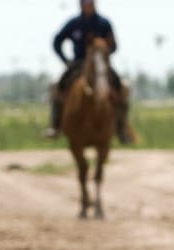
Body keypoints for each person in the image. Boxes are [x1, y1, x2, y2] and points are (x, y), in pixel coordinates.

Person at [44, 0, 132, 144]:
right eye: (86, 2)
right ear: (81, 4)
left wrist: (104, 51)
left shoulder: (104, 23)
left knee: (124, 87)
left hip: (101, 66)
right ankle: (55, 125)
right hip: (78, 64)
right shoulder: (73, 23)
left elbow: (114, 46)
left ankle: (121, 128)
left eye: (91, 2)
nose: (89, 5)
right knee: (55, 85)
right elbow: (57, 41)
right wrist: (65, 60)